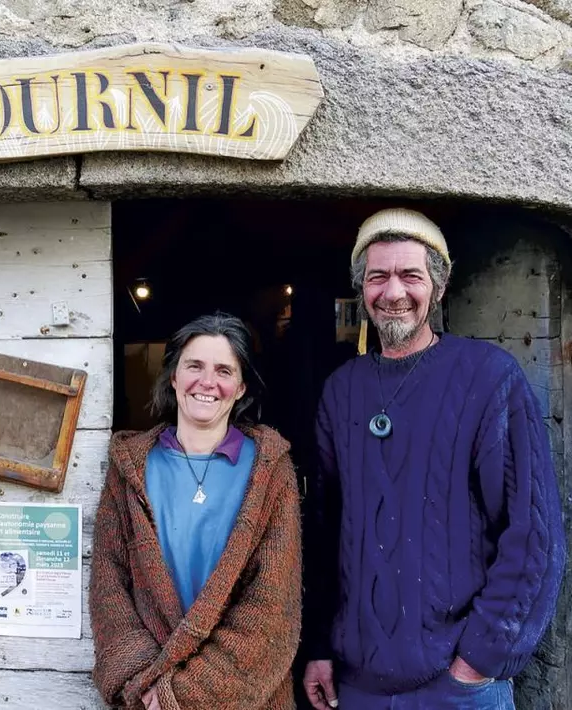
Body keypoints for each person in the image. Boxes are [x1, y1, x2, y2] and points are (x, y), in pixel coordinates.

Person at [302, 208, 566, 709]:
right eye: (377, 276)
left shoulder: (488, 378)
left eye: (411, 275)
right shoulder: (341, 391)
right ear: (362, 291)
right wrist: (319, 646)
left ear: (439, 288)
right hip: (357, 687)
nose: (393, 291)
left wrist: (482, 659)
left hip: (460, 686)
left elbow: (533, 532)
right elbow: (323, 531)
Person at [90, 312, 302, 709]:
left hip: (244, 698)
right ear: (173, 376)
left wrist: (183, 697)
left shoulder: (269, 471)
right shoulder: (131, 467)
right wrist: (145, 685)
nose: (207, 382)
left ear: (240, 387)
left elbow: (272, 606)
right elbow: (109, 586)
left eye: (224, 370)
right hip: (147, 696)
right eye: (194, 366)